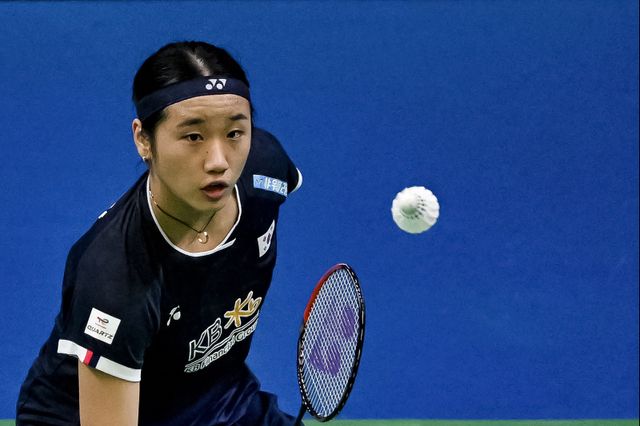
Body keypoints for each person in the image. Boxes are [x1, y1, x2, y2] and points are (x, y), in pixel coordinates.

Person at [16, 41, 303, 426]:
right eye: (194, 137)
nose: (220, 162)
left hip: (220, 400)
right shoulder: (115, 278)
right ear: (143, 140)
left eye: (235, 132)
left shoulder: (264, 168)